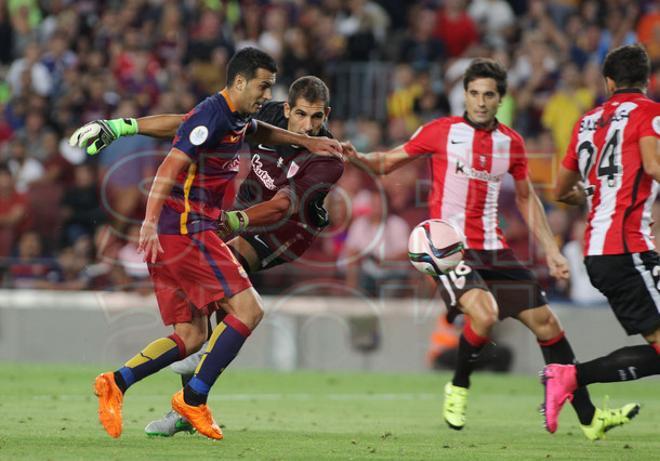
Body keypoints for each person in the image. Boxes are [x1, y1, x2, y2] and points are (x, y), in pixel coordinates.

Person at [344, 58, 637, 440]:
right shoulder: (441, 132)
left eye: (489, 95)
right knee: (484, 315)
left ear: (501, 99)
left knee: (549, 325)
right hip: (450, 249)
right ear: (463, 94)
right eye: (474, 93)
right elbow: (386, 163)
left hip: (495, 249)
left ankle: (589, 419)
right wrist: (357, 157)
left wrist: (551, 250)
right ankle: (459, 385)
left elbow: (529, 199)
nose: (480, 101)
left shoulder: (511, 143)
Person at [70, 48, 342, 440]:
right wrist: (148, 219)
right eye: (264, 87)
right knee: (248, 309)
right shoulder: (215, 113)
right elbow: (170, 164)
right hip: (186, 228)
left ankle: (116, 383)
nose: (268, 95)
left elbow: (199, 126)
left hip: (180, 232)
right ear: (240, 82)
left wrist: (122, 126)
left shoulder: (232, 117)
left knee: (191, 335)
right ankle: (193, 400)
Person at [544, 43, 660, 434]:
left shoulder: (586, 121)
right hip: (628, 249)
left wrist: (591, 193)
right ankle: (571, 378)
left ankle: (570, 378)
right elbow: (653, 165)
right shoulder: (650, 112)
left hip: (599, 251)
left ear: (609, 82)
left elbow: (560, 190)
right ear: (647, 80)